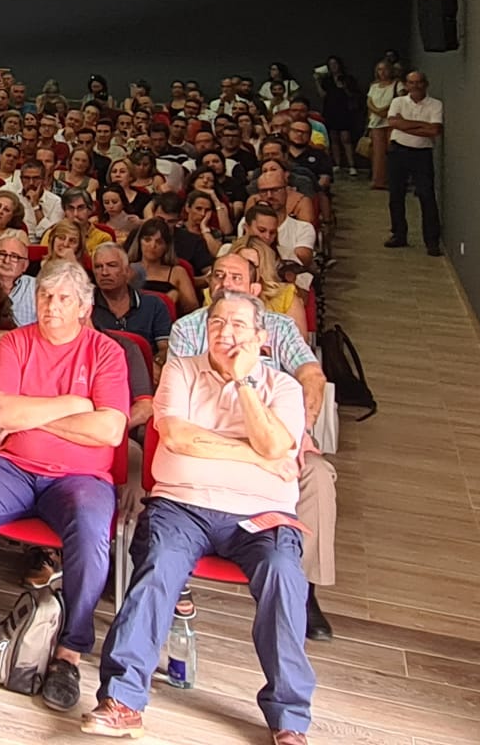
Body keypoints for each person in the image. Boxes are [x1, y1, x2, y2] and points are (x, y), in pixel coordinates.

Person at [83, 292, 316, 744]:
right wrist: (255, 454)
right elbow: (177, 437)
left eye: (238, 327)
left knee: (284, 574)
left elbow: (275, 446)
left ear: (262, 338)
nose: (226, 335)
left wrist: (244, 385)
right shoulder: (181, 370)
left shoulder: (283, 388)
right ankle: (123, 699)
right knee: (158, 565)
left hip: (261, 515)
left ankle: (289, 719)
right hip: (182, 506)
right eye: (217, 326)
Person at [0, 259, 129, 713]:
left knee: (91, 531)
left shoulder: (107, 352)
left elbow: (109, 430)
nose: (51, 306)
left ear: (84, 307)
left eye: (63, 298)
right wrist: (72, 406)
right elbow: (3, 415)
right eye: (45, 296)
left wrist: (38, 416)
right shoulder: (16, 343)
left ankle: (69, 652)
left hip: (81, 478)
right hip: (13, 466)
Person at [171, 250, 337, 638]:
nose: (224, 284)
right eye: (218, 276)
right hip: (213, 434)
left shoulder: (277, 328)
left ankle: (302, 589)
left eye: (235, 278)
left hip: (278, 435)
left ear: (255, 289)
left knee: (318, 476)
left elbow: (311, 375)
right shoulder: (190, 328)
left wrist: (298, 435)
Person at [384, 69, 444, 255]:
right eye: (411, 82)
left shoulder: (435, 104)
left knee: (426, 196)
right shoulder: (398, 102)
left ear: (425, 84)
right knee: (396, 195)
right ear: (406, 85)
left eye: (419, 82)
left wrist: (406, 124)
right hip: (398, 151)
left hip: (422, 154)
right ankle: (399, 234)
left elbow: (434, 131)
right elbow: (393, 123)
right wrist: (422, 125)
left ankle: (432, 242)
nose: (415, 86)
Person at [90, 241, 171, 364]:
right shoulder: (83, 307)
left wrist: (155, 363)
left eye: (112, 265)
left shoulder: (154, 305)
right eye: (98, 267)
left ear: (127, 271)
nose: (104, 273)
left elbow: (165, 348)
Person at [365, 57, 399, 191]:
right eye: (379, 69)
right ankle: (378, 180)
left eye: (385, 69)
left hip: (391, 121)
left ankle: (394, 180)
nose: (382, 72)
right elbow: (369, 102)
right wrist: (377, 111)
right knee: (378, 154)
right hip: (376, 122)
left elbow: (398, 100)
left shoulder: (397, 84)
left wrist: (384, 110)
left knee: (393, 152)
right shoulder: (374, 86)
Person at [0, 233, 36, 326]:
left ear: (25, 265)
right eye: (2, 254)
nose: (6, 261)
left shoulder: (37, 287)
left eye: (15, 257)